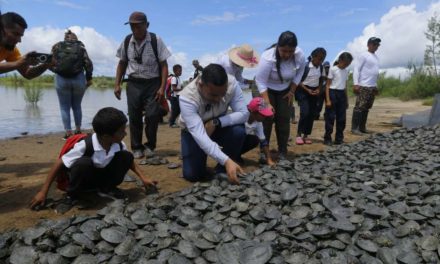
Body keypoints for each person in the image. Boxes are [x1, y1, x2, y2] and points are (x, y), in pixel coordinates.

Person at [29, 107, 157, 212]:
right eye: (122, 131)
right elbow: (59, 163)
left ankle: (107, 188)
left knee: (126, 156)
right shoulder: (86, 145)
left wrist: (143, 178)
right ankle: (72, 195)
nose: (125, 134)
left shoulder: (117, 144)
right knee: (83, 162)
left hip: (102, 178)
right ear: (107, 136)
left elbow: (130, 162)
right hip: (85, 180)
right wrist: (43, 192)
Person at [114, 11, 171, 159]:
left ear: (147, 25)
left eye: (138, 26)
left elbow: (164, 65)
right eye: (132, 26)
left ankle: (150, 145)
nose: (135, 29)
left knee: (152, 116)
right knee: (134, 116)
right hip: (133, 83)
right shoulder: (127, 41)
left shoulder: (155, 40)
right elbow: (122, 63)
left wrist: (162, 88)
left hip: (153, 83)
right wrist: (117, 84)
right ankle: (137, 147)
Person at [179, 64, 248, 184]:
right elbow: (200, 136)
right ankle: (221, 162)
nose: (218, 99)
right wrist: (226, 160)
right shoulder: (187, 98)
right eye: (213, 95)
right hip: (194, 132)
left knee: (238, 131)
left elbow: (244, 113)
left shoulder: (232, 83)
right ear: (201, 85)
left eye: (223, 93)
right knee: (192, 175)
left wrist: (217, 122)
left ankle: (221, 170)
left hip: (217, 126)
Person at [255, 31, 306, 160]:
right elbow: (260, 81)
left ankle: (282, 150)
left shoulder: (299, 55)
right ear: (278, 46)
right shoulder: (267, 57)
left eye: (291, 51)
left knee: (283, 120)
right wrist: (267, 102)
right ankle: (263, 151)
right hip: (267, 89)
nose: (287, 55)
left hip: (285, 89)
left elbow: (300, 73)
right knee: (266, 120)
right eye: (284, 51)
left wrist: (292, 91)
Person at [51, 30, 93, 140]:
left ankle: (68, 133)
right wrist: (89, 79)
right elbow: (88, 64)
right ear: (75, 38)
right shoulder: (81, 47)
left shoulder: (57, 46)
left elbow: (50, 62)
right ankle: (78, 130)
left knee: (64, 107)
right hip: (78, 79)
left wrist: (56, 71)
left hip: (61, 79)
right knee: (77, 106)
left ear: (65, 38)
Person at [0, 12, 51, 78]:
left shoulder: (11, 49)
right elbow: (18, 64)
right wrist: (18, 63)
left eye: (20, 36)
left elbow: (27, 73)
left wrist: (47, 64)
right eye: (15, 34)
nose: (19, 40)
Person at [295, 47, 327, 145]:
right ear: (313, 57)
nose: (321, 61)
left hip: (314, 91)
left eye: (323, 59)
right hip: (303, 90)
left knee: (311, 114)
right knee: (305, 112)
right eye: (319, 58)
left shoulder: (321, 68)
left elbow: (322, 80)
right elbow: (298, 81)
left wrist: (319, 89)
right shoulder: (305, 66)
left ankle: (306, 135)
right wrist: (307, 90)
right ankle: (299, 135)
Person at [351, 37, 381, 135]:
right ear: (368, 45)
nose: (376, 46)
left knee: (366, 107)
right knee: (359, 107)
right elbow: (356, 69)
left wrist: (375, 86)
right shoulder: (363, 55)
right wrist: (356, 83)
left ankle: (362, 127)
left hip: (372, 86)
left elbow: (374, 73)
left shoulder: (376, 57)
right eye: (374, 44)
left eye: (377, 45)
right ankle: (355, 128)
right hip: (363, 85)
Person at [323, 52, 353, 145]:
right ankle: (327, 138)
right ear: (340, 60)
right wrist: (327, 100)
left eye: (348, 64)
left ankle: (339, 138)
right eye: (345, 63)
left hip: (341, 94)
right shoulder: (333, 69)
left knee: (341, 119)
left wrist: (347, 100)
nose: (346, 65)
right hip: (332, 93)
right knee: (330, 117)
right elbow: (327, 85)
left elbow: (345, 86)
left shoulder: (346, 71)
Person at [241, 97, 275, 166]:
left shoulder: (258, 122)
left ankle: (236, 155)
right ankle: (231, 157)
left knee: (254, 140)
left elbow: (263, 142)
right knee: (239, 133)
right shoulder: (241, 116)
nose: (264, 117)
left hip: (239, 141)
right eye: (262, 114)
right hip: (227, 142)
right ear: (253, 112)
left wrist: (269, 159)